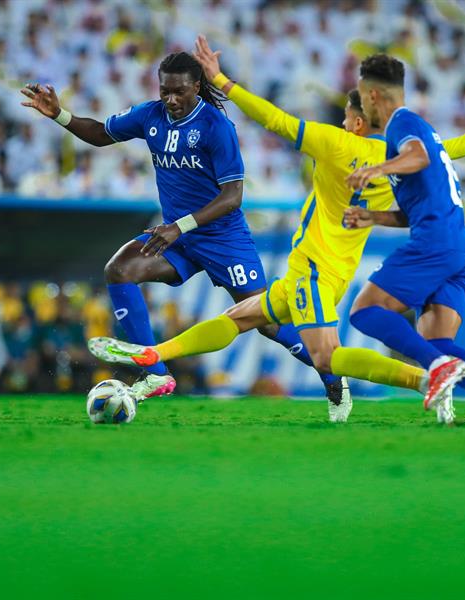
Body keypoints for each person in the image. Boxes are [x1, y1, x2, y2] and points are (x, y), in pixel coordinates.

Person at [89, 39, 465, 423]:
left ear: (355, 119)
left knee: (328, 356)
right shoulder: (404, 157)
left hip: (314, 268)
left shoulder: (336, 144)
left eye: (346, 116)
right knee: (241, 318)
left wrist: (224, 82)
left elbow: (274, 119)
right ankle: (156, 357)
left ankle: (426, 377)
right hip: (328, 271)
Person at [21, 52, 345, 405]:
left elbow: (233, 195)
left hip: (222, 238)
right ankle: (155, 374)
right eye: (165, 91)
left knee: (265, 321)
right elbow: (100, 134)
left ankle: (332, 375)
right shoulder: (150, 115)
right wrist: (59, 115)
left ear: (197, 86)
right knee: (119, 270)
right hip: (177, 238)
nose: (171, 100)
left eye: (178, 92)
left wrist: (180, 226)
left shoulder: (216, 127)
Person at [344, 54, 465, 427]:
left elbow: (419, 156)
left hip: (434, 244)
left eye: (363, 97)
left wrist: (376, 170)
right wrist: (374, 217)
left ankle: (438, 367)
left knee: (364, 311)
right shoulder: (420, 128)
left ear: (372, 94)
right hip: (459, 248)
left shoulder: (403, 124)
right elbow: (418, 203)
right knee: (437, 341)